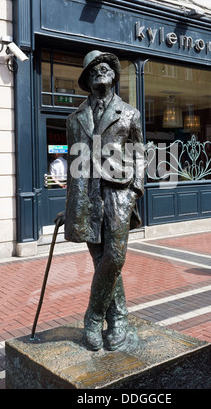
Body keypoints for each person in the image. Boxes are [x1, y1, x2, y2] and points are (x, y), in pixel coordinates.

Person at [55, 50, 145, 351]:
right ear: (87, 79)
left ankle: (93, 318)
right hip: (86, 196)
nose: (99, 71)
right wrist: (70, 206)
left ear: (114, 75)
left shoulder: (130, 114)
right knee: (100, 260)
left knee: (115, 257)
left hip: (119, 191)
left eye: (104, 67)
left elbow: (140, 154)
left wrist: (136, 191)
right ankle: (119, 318)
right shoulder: (74, 118)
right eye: (93, 69)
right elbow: (74, 163)